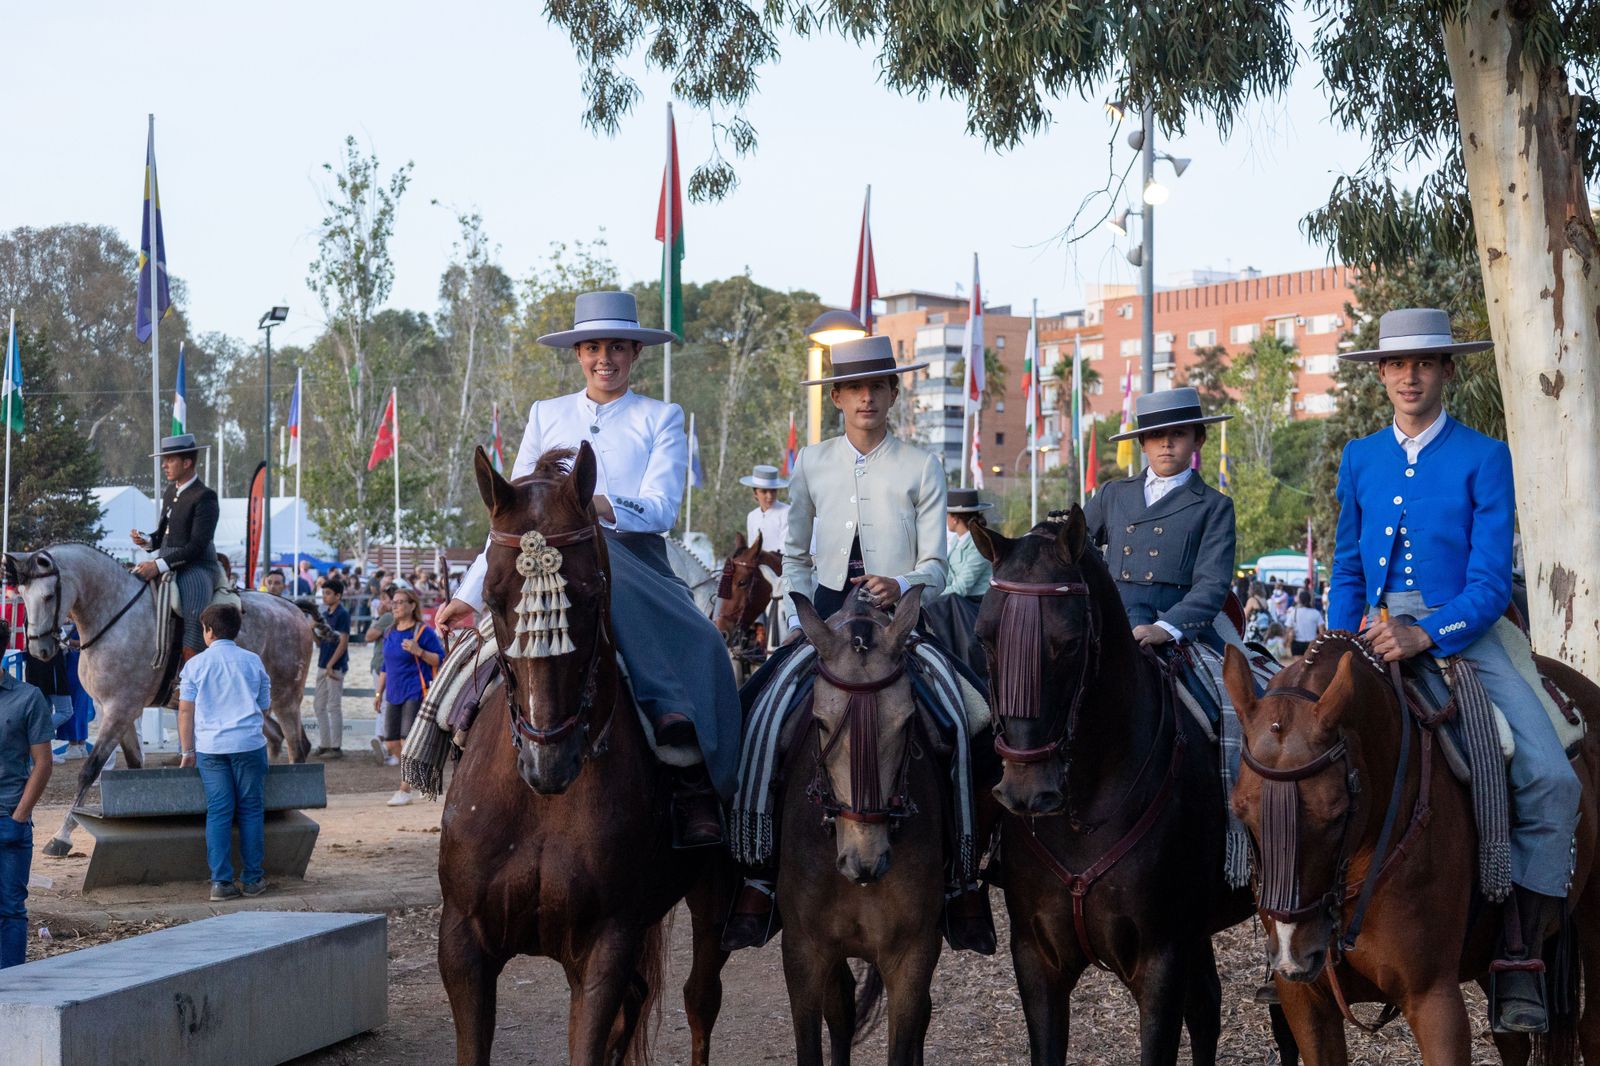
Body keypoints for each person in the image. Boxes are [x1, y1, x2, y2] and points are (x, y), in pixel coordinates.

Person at [1330, 306, 1579, 1033]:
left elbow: (1491, 584)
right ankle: (1296, 936)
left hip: (1467, 632)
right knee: (1288, 755)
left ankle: (1520, 953)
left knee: (1552, 778)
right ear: (1381, 374)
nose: (1409, 376)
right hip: (1372, 633)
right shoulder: (1360, 457)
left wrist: (1425, 633)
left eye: (1424, 363)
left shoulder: (1484, 455)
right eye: (1396, 364)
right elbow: (1347, 567)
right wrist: (1341, 643)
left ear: (1446, 371)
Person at [436, 290, 741, 847]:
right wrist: (470, 593)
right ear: (578, 353)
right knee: (477, 652)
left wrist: (596, 506)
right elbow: (510, 513)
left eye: (617, 347)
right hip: (543, 560)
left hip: (633, 559)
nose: (605, 358)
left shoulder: (661, 417)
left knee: (704, 643)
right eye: (594, 347)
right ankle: (451, 730)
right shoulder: (546, 413)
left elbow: (662, 509)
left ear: (635, 353)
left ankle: (692, 773)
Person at [727, 333, 985, 951]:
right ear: (837, 397)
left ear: (893, 393)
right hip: (824, 622)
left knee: (968, 715)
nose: (866, 397)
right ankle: (757, 873)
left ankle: (963, 878)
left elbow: (937, 564)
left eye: (877, 386)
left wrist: (904, 582)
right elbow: (794, 554)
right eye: (853, 388)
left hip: (900, 624)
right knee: (757, 714)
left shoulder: (922, 464)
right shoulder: (812, 463)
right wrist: (802, 615)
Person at [1085, 387, 1236, 652]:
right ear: (1142, 443)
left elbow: (1212, 584)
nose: (1166, 443)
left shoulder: (1215, 506)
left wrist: (1166, 628)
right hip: (1107, 621)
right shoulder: (1112, 493)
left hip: (1176, 628)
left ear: (1198, 440)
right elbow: (1071, 548)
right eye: (1156, 435)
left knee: (1240, 677)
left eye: (1178, 433)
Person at [176, 604, 272, 902]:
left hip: (211, 748)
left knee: (219, 811)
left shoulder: (195, 665)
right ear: (236, 630)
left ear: (208, 631)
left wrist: (187, 749)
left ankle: (221, 882)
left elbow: (185, 710)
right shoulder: (253, 661)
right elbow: (264, 706)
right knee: (251, 810)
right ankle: (253, 879)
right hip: (249, 744)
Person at [130, 434, 223, 689]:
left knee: (194, 615)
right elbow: (164, 535)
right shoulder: (171, 491)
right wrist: (147, 541)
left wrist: (157, 565)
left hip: (196, 566)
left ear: (187, 463)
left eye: (169, 460)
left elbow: (196, 545)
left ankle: (192, 681)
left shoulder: (205, 496)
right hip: (167, 560)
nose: (164, 465)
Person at [0, 617, 51, 968]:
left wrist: (19, 816)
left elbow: (43, 763)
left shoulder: (27, 697)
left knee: (10, 909)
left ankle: (13, 988)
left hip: (8, 818)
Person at [375, 586, 443, 806]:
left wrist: (419, 651)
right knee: (391, 742)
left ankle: (404, 790)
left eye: (400, 602)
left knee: (408, 740)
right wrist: (379, 693)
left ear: (412, 605)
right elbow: (385, 666)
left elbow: (440, 659)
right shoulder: (389, 632)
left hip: (415, 691)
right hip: (393, 693)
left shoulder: (423, 632)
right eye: (393, 602)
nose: (395, 606)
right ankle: (422, 773)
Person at [313, 580, 351, 758]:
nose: (325, 596)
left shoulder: (342, 614)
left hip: (334, 665)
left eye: (328, 593)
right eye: (324, 593)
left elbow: (343, 642)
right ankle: (325, 743)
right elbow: (320, 642)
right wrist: (312, 630)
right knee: (319, 705)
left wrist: (330, 664)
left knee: (333, 706)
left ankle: (335, 747)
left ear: (338, 595)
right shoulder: (325, 614)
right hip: (324, 663)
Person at [943, 488, 994, 598]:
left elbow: (961, 588)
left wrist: (929, 596)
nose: (945, 518)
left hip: (974, 603)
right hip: (955, 599)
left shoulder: (979, 545)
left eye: (947, 514)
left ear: (955, 519)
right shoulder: (957, 540)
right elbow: (949, 577)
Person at [741, 464, 791, 552]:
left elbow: (785, 548)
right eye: (764, 491)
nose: (770, 496)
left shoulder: (787, 513)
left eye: (773, 491)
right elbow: (752, 548)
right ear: (755, 493)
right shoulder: (752, 516)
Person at [1286, 586, 1324, 656]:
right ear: (1310, 600)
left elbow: (1288, 629)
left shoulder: (1294, 612)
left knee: (1298, 663)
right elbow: (1322, 632)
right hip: (1311, 644)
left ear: (1299, 600)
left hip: (1297, 644)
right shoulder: (1316, 613)